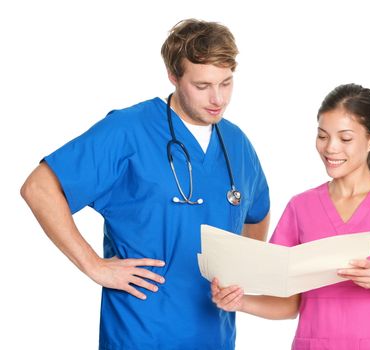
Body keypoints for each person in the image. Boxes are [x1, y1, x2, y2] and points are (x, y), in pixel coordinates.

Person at [21, 19, 270, 350]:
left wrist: (242, 271)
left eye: (226, 83)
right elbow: (39, 188)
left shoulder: (236, 143)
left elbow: (257, 212)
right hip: (140, 333)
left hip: (215, 336)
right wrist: (95, 266)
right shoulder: (128, 131)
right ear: (173, 76)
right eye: (202, 85)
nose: (217, 99)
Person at [212, 83, 370, 350]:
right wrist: (240, 302)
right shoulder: (301, 207)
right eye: (322, 136)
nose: (331, 148)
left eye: (345, 138)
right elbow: (290, 304)